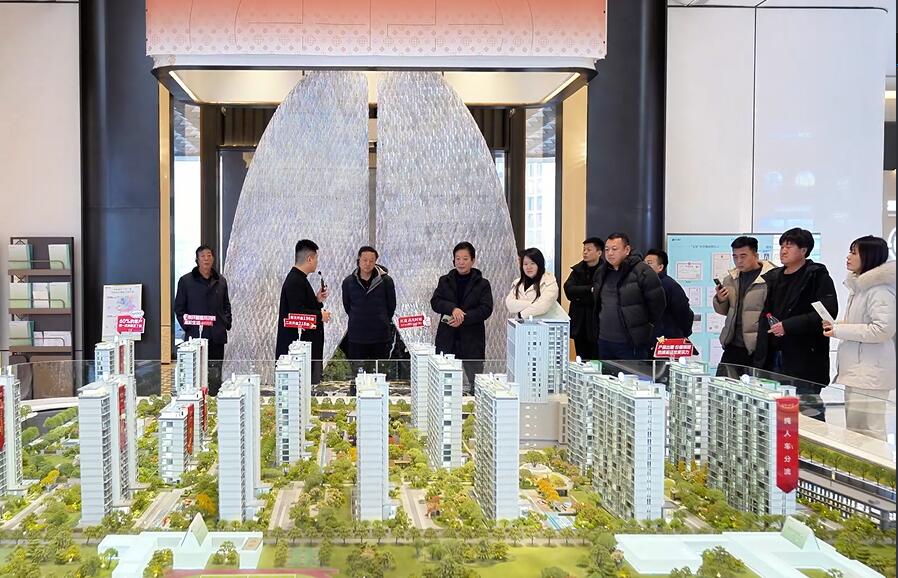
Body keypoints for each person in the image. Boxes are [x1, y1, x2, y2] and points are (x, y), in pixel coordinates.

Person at [755, 228, 837, 420]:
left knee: (809, 413)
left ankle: (811, 441)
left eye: (789, 246)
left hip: (804, 357)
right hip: (773, 355)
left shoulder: (816, 276)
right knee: (777, 415)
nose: (783, 250)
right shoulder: (774, 277)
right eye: (782, 246)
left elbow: (826, 313)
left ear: (804, 250)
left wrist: (789, 326)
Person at [823, 236, 895, 440]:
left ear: (869, 256)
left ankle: (878, 462)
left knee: (870, 431)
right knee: (856, 430)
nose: (848, 257)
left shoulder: (879, 290)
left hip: (870, 372)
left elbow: (882, 329)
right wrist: (836, 326)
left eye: (854, 252)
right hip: (859, 371)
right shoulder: (860, 288)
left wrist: (839, 331)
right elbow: (859, 322)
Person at [430, 242, 494, 391]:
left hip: (472, 339)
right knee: (445, 384)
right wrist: (452, 309)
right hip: (447, 338)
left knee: (475, 383)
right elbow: (435, 302)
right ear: (453, 261)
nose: (461, 262)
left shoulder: (482, 284)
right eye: (457, 258)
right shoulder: (444, 280)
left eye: (465, 258)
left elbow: (486, 309)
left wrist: (463, 317)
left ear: (473, 260)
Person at [592, 233, 666, 360]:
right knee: (606, 373)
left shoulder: (643, 272)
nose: (610, 253)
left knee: (632, 373)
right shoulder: (601, 272)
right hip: (604, 341)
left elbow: (658, 305)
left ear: (627, 250)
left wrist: (644, 328)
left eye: (614, 249)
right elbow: (597, 303)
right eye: (607, 249)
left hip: (631, 343)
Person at [712, 236, 776, 377]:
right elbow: (724, 311)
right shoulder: (730, 278)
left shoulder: (771, 278)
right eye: (735, 256)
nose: (739, 261)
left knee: (754, 388)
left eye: (743, 256)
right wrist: (721, 299)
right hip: (732, 343)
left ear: (755, 255)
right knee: (723, 386)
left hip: (758, 346)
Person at [174, 245, 232, 396]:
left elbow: (226, 304)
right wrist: (188, 327)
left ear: (213, 258)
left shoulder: (221, 280)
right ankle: (194, 400)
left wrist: (226, 322)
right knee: (195, 373)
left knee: (215, 372)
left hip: (217, 335)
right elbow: (179, 308)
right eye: (203, 256)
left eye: (209, 255)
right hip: (196, 336)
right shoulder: (186, 281)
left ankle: (213, 399)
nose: (206, 259)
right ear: (197, 260)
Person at [341, 246, 397, 391]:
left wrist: (382, 320)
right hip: (357, 336)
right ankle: (356, 398)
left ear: (376, 261)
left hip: (380, 336)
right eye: (364, 260)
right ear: (358, 260)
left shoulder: (386, 281)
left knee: (379, 375)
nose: (367, 263)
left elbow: (391, 307)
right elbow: (347, 306)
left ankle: (380, 400)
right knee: (358, 375)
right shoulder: (348, 282)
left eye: (371, 261)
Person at [276, 239, 330, 385]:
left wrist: (317, 300)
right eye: (316, 258)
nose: (317, 262)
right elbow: (296, 313)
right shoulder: (295, 280)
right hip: (298, 348)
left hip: (305, 347)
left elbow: (301, 306)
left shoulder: (299, 279)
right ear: (309, 259)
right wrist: (320, 315)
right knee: (301, 386)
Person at [564, 237, 604, 360]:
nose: (585, 252)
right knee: (581, 358)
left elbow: (601, 295)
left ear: (599, 253)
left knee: (597, 359)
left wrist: (580, 295)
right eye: (584, 249)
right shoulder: (578, 270)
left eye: (589, 250)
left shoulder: (605, 270)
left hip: (597, 322)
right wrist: (589, 290)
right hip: (580, 322)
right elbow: (569, 290)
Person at [644, 249, 695, 340]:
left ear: (660, 267)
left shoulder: (670, 285)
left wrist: (682, 332)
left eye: (649, 263)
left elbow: (683, 312)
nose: (644, 267)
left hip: (666, 338)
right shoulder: (643, 284)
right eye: (644, 263)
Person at [505, 248, 562, 319]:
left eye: (532, 263)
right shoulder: (517, 283)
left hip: (547, 323)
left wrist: (521, 314)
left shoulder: (550, 282)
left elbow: (543, 307)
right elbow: (510, 304)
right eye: (525, 264)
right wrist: (534, 303)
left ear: (539, 264)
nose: (529, 267)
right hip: (524, 323)